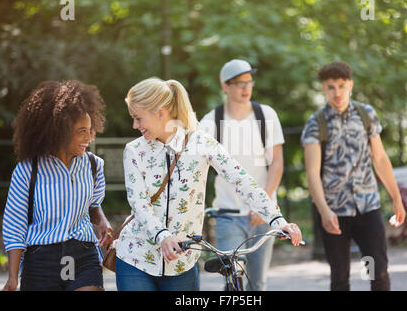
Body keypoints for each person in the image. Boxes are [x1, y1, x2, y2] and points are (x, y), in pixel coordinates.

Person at [115, 77, 302, 291]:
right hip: (136, 258)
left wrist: (277, 220)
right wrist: (162, 236)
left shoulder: (200, 143)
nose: (134, 125)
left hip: (181, 262)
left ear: (160, 112)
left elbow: (241, 179)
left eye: (138, 118)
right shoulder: (134, 151)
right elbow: (139, 202)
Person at [301, 61, 406, 291]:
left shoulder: (366, 114)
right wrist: (324, 210)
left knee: (375, 270)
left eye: (341, 85)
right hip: (334, 211)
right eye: (331, 87)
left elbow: (380, 159)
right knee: (340, 276)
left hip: (367, 206)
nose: (337, 92)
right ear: (323, 88)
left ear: (350, 85)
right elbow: (311, 173)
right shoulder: (315, 124)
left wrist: (396, 198)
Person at [2, 80, 113, 291]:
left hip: (83, 255)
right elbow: (14, 224)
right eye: (81, 131)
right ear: (59, 131)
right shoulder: (28, 170)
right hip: (41, 259)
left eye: (90, 130)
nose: (88, 138)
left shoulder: (93, 165)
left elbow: (93, 205)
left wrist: (101, 220)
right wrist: (13, 277)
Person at [199, 59, 285, 291]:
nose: (246, 88)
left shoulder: (265, 115)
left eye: (249, 82)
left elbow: (276, 163)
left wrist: (263, 204)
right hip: (227, 215)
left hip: (263, 216)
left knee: (257, 283)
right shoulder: (210, 122)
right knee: (233, 280)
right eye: (239, 83)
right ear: (225, 86)